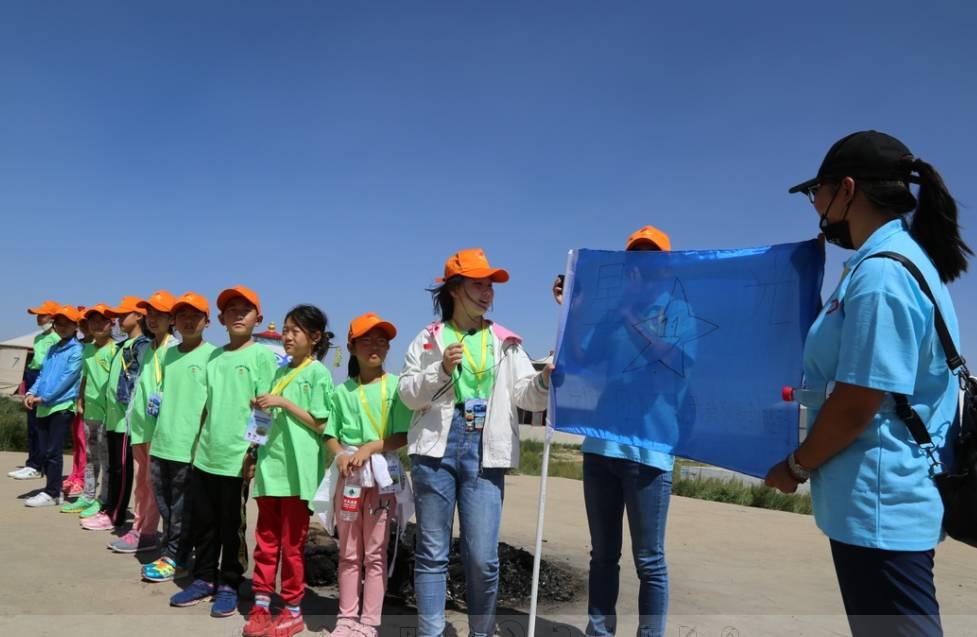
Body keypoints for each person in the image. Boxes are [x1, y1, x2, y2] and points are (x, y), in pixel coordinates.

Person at [765, 130, 970, 637]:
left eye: (818, 191)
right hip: (880, 499)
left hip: (882, 504)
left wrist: (795, 466)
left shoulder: (882, 276)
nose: (815, 203)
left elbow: (857, 403)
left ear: (848, 189)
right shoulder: (891, 264)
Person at [399, 249, 551, 637]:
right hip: (436, 449)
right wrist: (440, 370)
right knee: (432, 552)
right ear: (454, 288)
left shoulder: (506, 342)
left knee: (482, 557)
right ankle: (430, 631)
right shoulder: (427, 338)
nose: (487, 293)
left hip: (486, 449)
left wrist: (545, 382)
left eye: (490, 286)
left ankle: (482, 631)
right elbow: (407, 395)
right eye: (478, 284)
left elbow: (525, 397)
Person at [551, 225, 677, 637]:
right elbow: (584, 358)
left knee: (649, 560)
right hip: (602, 447)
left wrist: (629, 316)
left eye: (650, 258)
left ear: (663, 267)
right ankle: (599, 630)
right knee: (603, 555)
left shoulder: (676, 309)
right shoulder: (610, 317)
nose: (641, 266)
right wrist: (571, 307)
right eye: (634, 258)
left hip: (650, 453)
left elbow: (670, 359)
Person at [170, 285, 278, 619]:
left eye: (244, 310)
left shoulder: (262, 356)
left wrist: (254, 454)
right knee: (204, 523)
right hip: (206, 454)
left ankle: (230, 582)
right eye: (231, 310)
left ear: (257, 318)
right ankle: (204, 578)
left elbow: (264, 410)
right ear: (220, 319)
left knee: (232, 526)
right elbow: (205, 408)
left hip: (237, 457)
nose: (237, 315)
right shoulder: (214, 357)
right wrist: (194, 447)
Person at [243, 305, 334, 637]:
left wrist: (283, 403)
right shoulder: (278, 372)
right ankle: (262, 605)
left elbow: (322, 423)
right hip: (271, 469)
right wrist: (252, 451)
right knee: (265, 542)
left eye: (295, 331)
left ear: (315, 337)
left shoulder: (318, 374)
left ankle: (293, 609)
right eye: (285, 330)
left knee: (292, 545)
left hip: (298, 473)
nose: (287, 336)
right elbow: (264, 422)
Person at [322, 312, 411, 637]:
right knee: (347, 551)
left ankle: (369, 622)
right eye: (367, 340)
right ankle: (345, 618)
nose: (375, 346)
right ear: (352, 346)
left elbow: (402, 435)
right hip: (349, 479)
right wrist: (341, 454)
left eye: (381, 340)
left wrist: (371, 447)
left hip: (382, 479)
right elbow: (329, 434)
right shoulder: (341, 391)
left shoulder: (397, 387)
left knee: (375, 552)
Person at [143, 292, 215, 583]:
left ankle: (175, 556)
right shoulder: (169, 353)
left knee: (182, 509)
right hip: (162, 443)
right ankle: (174, 553)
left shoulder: (213, 356)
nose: (188, 321)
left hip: (190, 448)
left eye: (195, 316)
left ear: (207, 322)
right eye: (182, 315)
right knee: (165, 504)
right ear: (174, 320)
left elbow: (213, 406)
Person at [108, 290, 178, 554]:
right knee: (142, 481)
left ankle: (146, 532)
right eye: (150, 313)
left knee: (152, 483)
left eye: (160, 314)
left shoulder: (173, 348)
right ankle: (140, 528)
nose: (153, 319)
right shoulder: (148, 347)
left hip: (157, 429)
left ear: (172, 318)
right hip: (138, 425)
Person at [81, 296, 151, 531]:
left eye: (124, 314)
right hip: (111, 416)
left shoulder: (143, 345)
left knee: (121, 468)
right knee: (113, 466)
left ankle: (116, 514)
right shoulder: (123, 345)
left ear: (139, 316)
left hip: (124, 419)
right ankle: (109, 508)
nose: (120, 319)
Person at [22, 305, 85, 507]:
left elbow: (68, 379)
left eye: (67, 323)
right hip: (44, 406)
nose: (62, 326)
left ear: (76, 326)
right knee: (43, 449)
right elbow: (42, 375)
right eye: (59, 323)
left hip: (61, 406)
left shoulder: (77, 350)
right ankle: (50, 489)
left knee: (53, 451)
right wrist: (32, 392)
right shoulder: (52, 349)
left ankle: (53, 492)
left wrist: (45, 397)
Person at [62, 304, 117, 516]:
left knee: (106, 460)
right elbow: (84, 377)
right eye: (92, 321)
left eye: (102, 320)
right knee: (90, 457)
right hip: (89, 412)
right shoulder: (88, 349)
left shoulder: (115, 349)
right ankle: (87, 496)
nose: (97, 325)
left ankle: (103, 499)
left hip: (107, 414)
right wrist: (80, 399)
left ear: (111, 323)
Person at [9, 300, 62, 481]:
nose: (39, 319)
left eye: (42, 315)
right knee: (31, 424)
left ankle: (39, 464)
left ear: (52, 317)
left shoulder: (57, 339)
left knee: (42, 425)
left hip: (44, 377)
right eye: (38, 315)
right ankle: (32, 462)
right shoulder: (39, 338)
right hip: (32, 374)